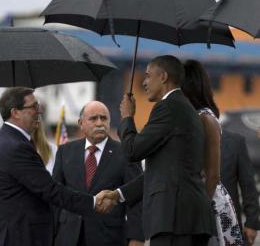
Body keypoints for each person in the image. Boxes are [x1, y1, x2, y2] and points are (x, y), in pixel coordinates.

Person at [0, 87, 117, 246]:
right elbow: (49, 190)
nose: (39, 111)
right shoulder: (15, 146)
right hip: (18, 236)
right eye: (33, 107)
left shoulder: (9, 140)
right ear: (15, 112)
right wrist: (93, 202)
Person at [118, 55, 216, 246]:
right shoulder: (183, 107)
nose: (144, 82)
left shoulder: (167, 107)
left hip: (174, 219)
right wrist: (119, 194)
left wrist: (127, 118)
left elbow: (132, 150)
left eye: (147, 76)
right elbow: (165, 169)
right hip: (189, 219)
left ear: (163, 76)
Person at [53, 101, 145, 246]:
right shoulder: (65, 152)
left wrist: (136, 238)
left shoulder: (126, 153)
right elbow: (56, 196)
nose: (99, 123)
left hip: (109, 237)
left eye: (104, 118)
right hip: (68, 236)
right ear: (80, 123)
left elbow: (136, 198)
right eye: (93, 118)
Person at [182, 59, 243, 246]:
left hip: (208, 203)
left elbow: (213, 174)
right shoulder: (193, 116)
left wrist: (200, 210)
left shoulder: (206, 118)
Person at [221, 129, 260, 246]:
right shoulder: (183, 139)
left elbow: (248, 185)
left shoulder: (235, 141)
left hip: (229, 226)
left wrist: (252, 223)